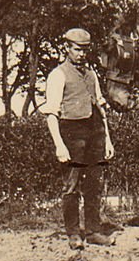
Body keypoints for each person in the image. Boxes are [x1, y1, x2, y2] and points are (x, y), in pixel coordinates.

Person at [41, 28, 116, 248]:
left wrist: (108, 139)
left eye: (85, 50)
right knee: (71, 185)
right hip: (71, 134)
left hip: (95, 133)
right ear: (67, 48)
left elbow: (101, 108)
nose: (81, 54)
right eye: (77, 49)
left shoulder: (91, 74)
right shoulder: (58, 75)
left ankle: (93, 231)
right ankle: (73, 234)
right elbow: (51, 114)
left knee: (94, 184)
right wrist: (59, 145)